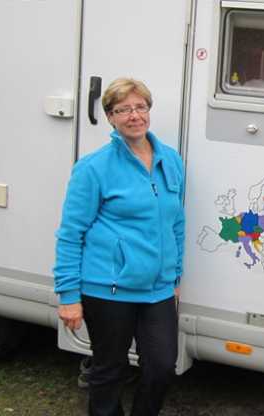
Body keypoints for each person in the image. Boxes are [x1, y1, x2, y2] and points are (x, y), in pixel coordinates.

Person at [53, 78, 185, 416]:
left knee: (162, 366)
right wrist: (68, 296)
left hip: (157, 289)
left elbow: (176, 222)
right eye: (123, 109)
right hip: (108, 288)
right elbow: (71, 234)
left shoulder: (171, 161)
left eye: (140, 107)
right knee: (109, 370)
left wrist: (175, 275)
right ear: (111, 118)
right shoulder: (93, 168)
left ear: (149, 111)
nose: (134, 115)